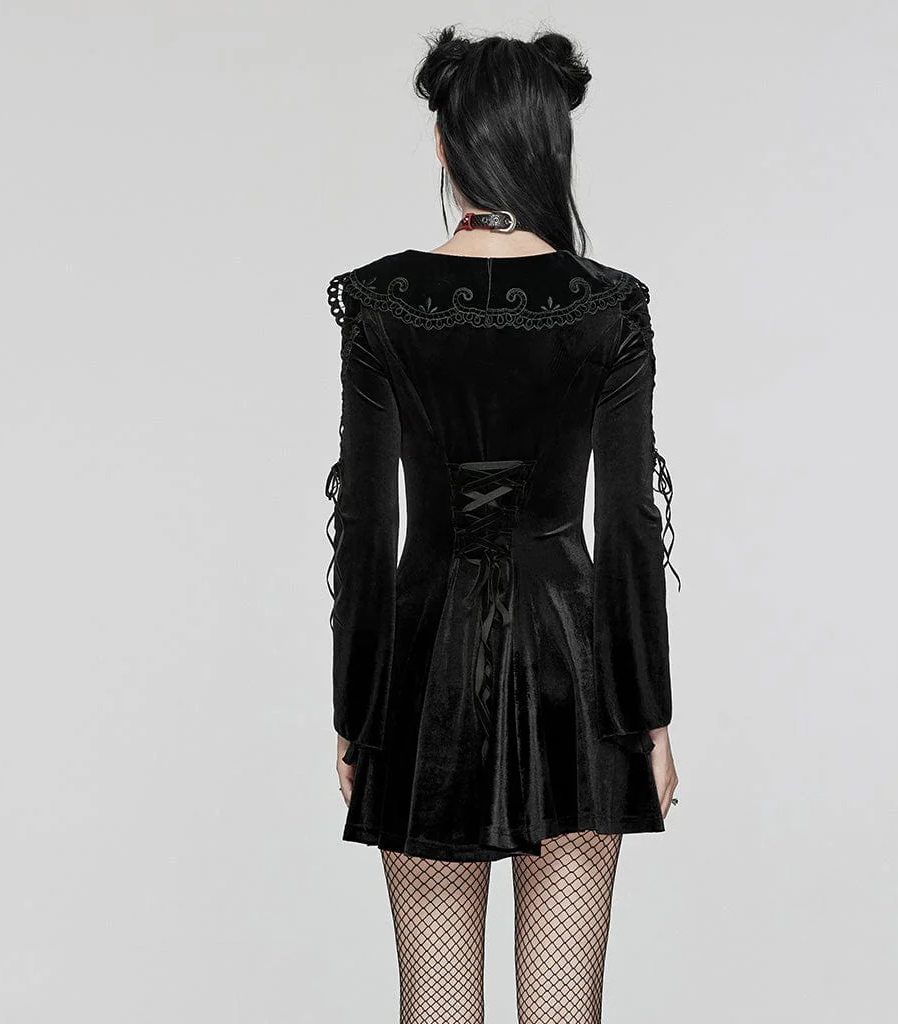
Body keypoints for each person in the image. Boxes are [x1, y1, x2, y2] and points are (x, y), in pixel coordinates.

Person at [324, 24, 681, 1024]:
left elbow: (366, 525)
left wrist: (357, 712)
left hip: (423, 674)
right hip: (574, 673)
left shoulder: (383, 302)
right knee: (563, 1012)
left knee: (435, 1006)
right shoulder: (609, 307)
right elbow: (627, 524)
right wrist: (648, 717)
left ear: (445, 146)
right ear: (551, 144)